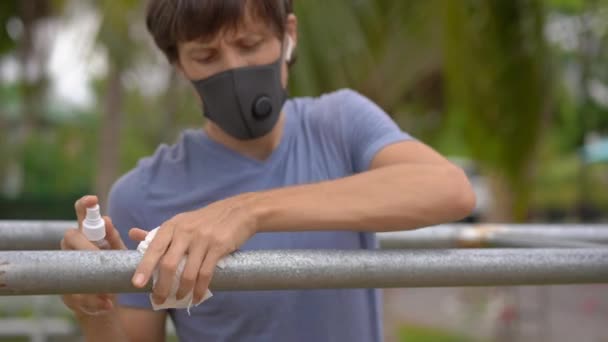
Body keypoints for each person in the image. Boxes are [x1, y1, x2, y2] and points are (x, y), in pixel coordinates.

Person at [60, 0, 476, 341]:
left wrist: (248, 211)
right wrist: (93, 309)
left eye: (250, 44)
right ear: (179, 65)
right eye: (206, 55)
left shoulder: (338, 123)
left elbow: (450, 189)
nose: (234, 69)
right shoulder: (144, 193)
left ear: (288, 35)